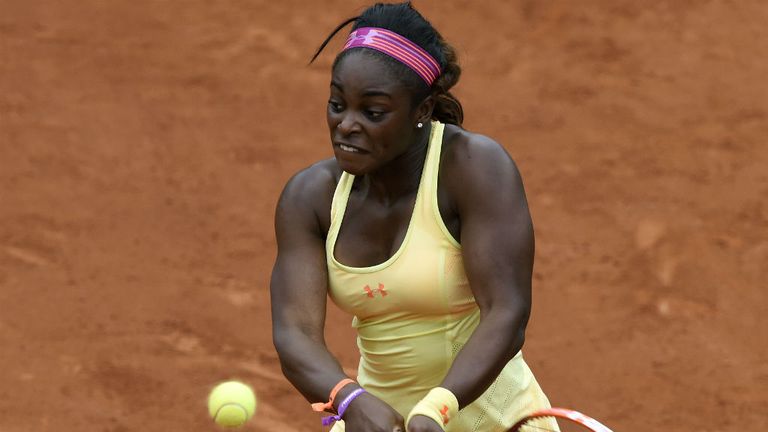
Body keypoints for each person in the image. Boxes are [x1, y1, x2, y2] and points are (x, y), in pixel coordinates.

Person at [270, 2, 558, 431]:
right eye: (337, 104)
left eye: (373, 112)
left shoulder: (473, 168)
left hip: (496, 421)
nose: (346, 125)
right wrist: (349, 399)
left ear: (421, 111)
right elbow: (295, 331)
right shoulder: (310, 198)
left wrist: (435, 409)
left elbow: (507, 310)